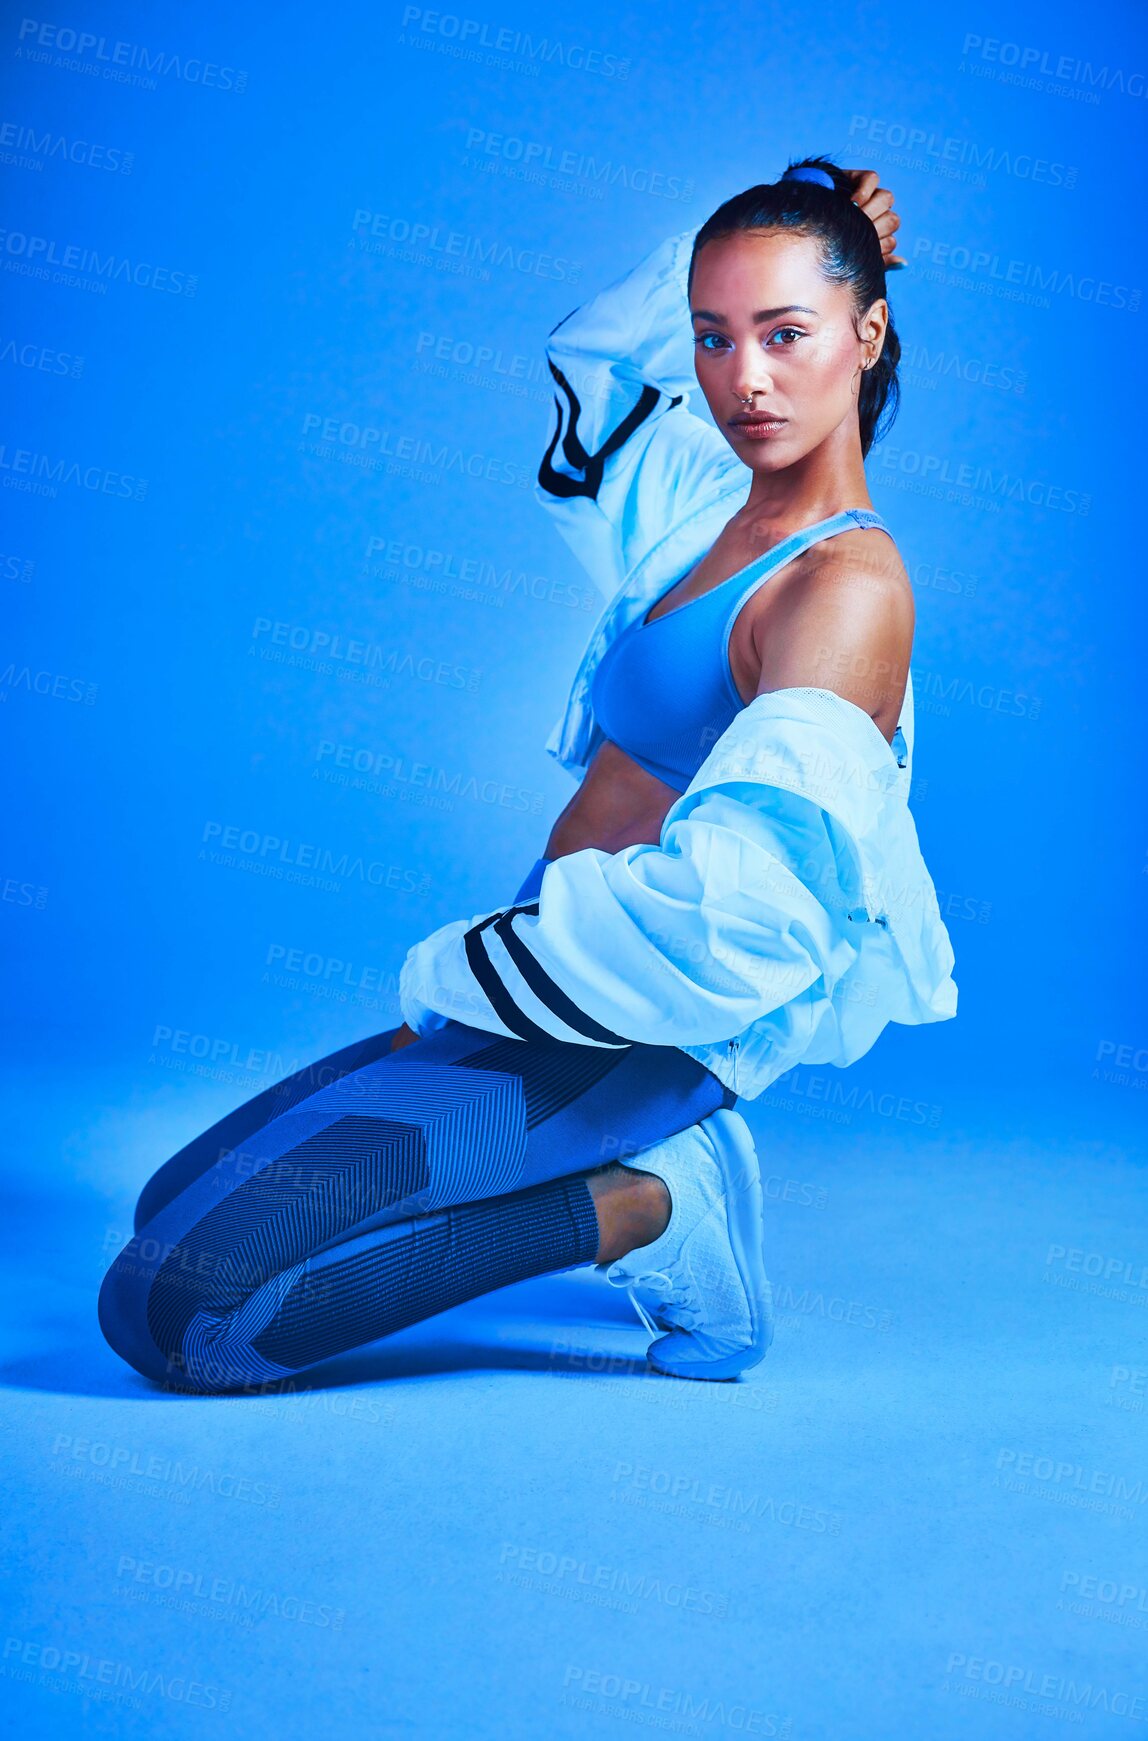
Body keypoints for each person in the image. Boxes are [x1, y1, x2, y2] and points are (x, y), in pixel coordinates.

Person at [98, 158, 956, 1396]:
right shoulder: (707, 502)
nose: (742, 379)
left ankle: (651, 1202)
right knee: (165, 1204)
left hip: (631, 1020)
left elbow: (745, 929)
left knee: (179, 1314)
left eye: (785, 333)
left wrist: (462, 965)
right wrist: (772, 212)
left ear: (865, 336)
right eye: (714, 337)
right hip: (539, 978)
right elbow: (596, 366)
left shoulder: (845, 592)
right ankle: (607, 1162)